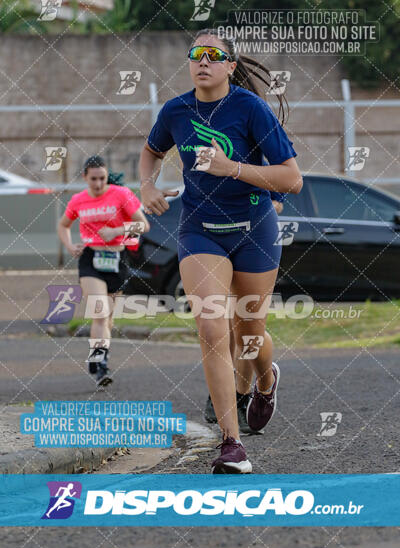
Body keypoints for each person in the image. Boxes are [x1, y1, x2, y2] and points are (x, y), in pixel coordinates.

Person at [139, 28, 302, 473]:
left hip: (254, 229)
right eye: (196, 54)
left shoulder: (250, 109)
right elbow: (151, 150)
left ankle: (265, 382)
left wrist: (233, 168)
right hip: (199, 230)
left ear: (230, 65)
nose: (203, 61)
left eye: (213, 55)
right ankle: (232, 446)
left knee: (248, 331)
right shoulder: (175, 110)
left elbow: (291, 179)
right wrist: (147, 185)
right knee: (212, 327)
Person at [58, 155, 150, 387]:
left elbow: (144, 225)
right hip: (91, 259)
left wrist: (117, 229)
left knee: (107, 319)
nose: (98, 184)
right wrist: (70, 246)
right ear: (85, 178)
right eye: (93, 179)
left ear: (107, 176)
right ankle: (101, 366)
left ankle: (97, 353)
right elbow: (63, 225)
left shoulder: (121, 195)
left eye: (102, 178)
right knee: (100, 312)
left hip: (117, 257)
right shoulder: (78, 200)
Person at [204, 192, 285, 435]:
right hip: (211, 237)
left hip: (252, 240)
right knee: (218, 323)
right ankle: (224, 391)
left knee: (242, 328)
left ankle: (243, 393)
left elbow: (277, 201)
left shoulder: (257, 156)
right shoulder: (202, 155)